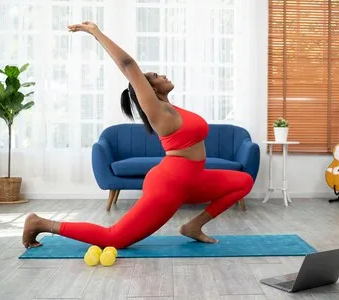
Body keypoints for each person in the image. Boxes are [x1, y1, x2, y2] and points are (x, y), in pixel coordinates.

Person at [22, 21, 254, 249]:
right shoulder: (156, 109)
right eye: (155, 76)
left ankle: (193, 226)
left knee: (243, 181)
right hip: (170, 185)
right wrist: (95, 32)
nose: (163, 75)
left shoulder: (173, 108)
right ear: (149, 88)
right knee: (114, 239)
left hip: (193, 179)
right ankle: (40, 223)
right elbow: (127, 64)